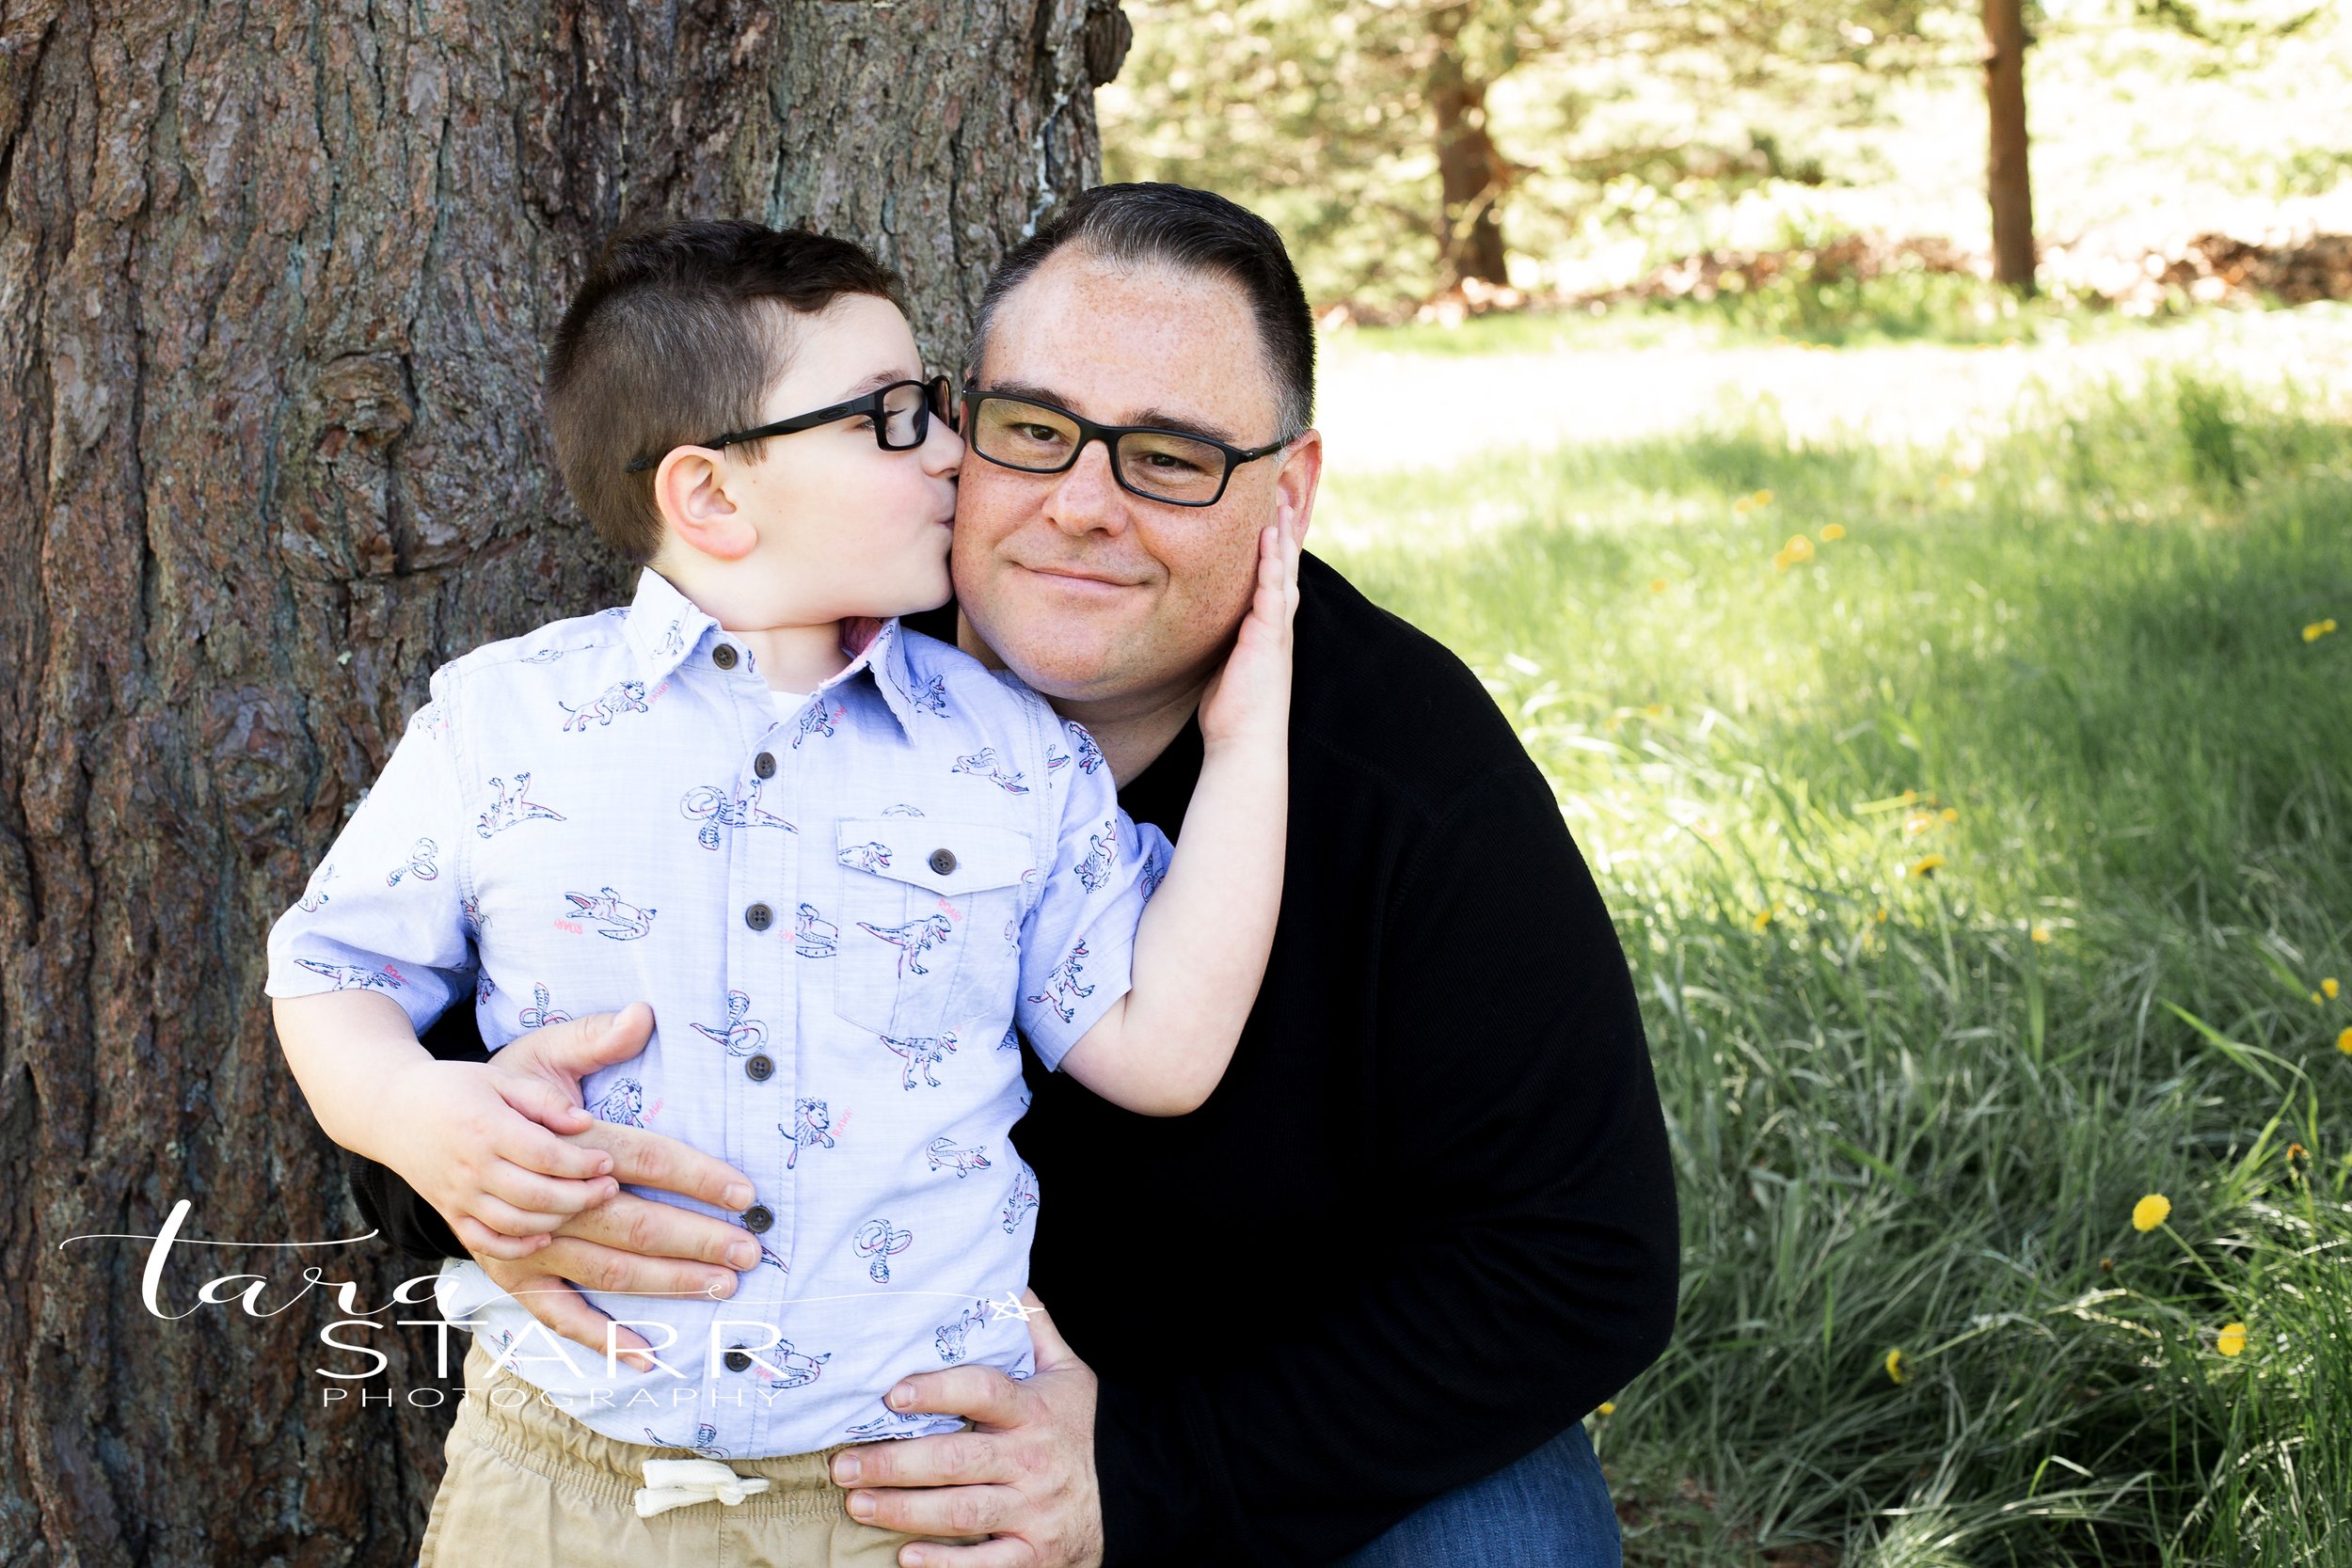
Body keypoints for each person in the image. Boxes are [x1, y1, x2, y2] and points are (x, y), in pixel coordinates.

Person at [350, 184, 1679, 1567]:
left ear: (1286, 490)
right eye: (1034, 430)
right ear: (957, 427)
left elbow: (1581, 1261)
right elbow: (451, 986)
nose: (1081, 508)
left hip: (1282, 1416)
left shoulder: (1396, 765)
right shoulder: (763, 657)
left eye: (1168, 457)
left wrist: (1147, 1478)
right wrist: (469, 1169)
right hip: (814, 1438)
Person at [267, 218, 1298, 1567]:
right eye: (890, 418)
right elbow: (330, 969)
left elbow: (1162, 1048)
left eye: (935, 404)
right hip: (565, 1467)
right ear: (711, 497)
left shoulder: (1011, 755)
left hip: (903, 1495)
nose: (951, 448)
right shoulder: (504, 723)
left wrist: (1250, 733)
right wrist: (408, 1112)